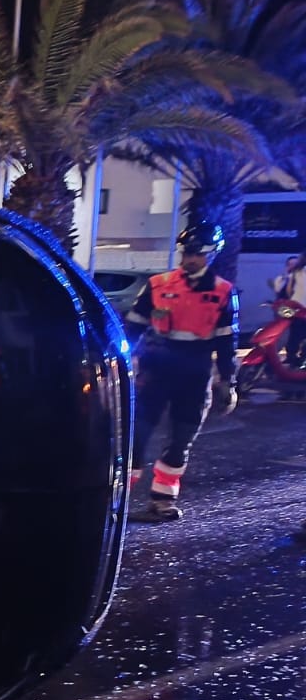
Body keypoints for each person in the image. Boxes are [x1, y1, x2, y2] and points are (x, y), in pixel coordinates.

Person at [122, 222, 239, 523]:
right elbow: (132, 327)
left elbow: (227, 341)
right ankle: (117, 499)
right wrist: (121, 363)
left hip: (195, 372)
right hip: (156, 367)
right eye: (187, 251)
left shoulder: (223, 292)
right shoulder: (158, 284)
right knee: (137, 434)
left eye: (198, 253)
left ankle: (162, 501)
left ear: (212, 254)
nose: (191, 258)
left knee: (181, 439)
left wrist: (228, 381)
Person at [269, 254, 306, 367]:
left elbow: (289, 290)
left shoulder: (296, 272)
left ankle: (294, 357)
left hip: (294, 307)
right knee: (294, 332)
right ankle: (294, 358)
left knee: (295, 333)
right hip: (294, 309)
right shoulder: (284, 277)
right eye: (290, 264)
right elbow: (280, 289)